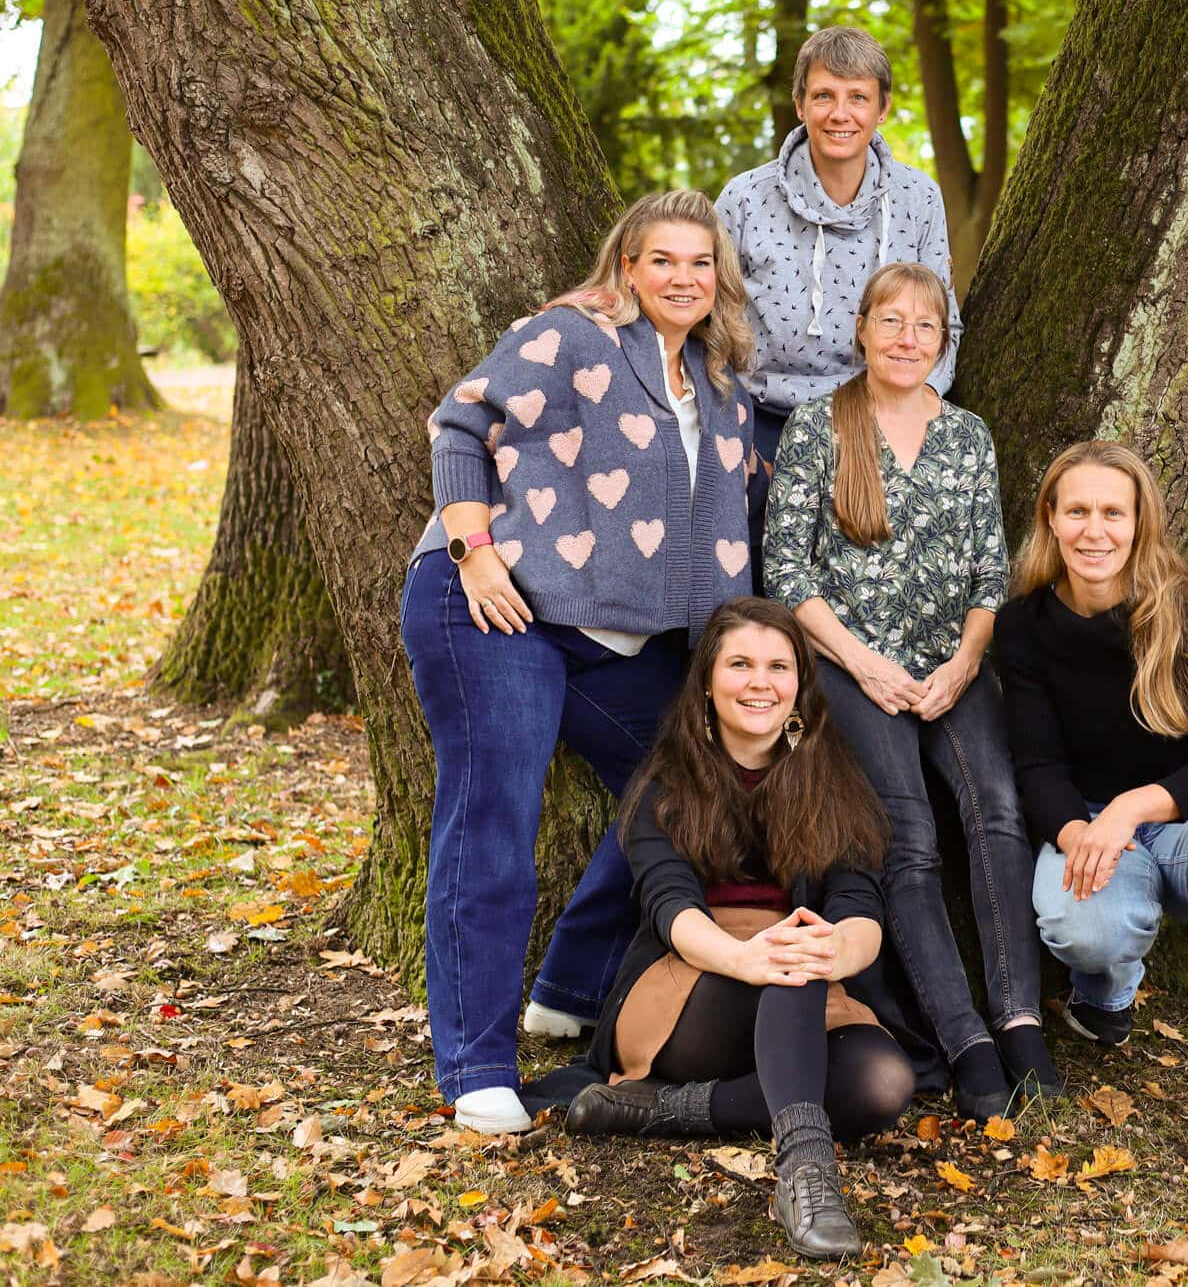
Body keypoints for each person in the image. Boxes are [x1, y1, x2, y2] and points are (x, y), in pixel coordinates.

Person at [403, 190, 760, 1134]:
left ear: (719, 277)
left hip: (617, 635)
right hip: (496, 602)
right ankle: (476, 1064)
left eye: (700, 263)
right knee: (496, 818)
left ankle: (570, 984)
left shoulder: (724, 386)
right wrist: (473, 552)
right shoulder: (569, 336)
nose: (683, 278)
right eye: (662, 260)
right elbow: (459, 426)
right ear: (628, 268)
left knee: (690, 779)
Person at [764, 261, 1061, 1119]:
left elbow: (986, 571)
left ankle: (1019, 1023)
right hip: (852, 667)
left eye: (923, 326)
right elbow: (786, 569)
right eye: (890, 321)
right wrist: (863, 665)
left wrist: (967, 663)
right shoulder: (820, 428)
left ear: (943, 341)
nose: (905, 338)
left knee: (998, 812)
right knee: (910, 835)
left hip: (950, 666)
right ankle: (963, 1037)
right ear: (861, 330)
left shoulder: (967, 435)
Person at [563, 598, 912, 1261]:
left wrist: (839, 949)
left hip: (802, 976)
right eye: (741, 664)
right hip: (693, 980)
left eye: (779, 666)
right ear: (706, 684)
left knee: (882, 1084)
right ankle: (807, 1174)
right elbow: (673, 910)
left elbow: (858, 901)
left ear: (800, 687)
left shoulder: (833, 781)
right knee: (792, 957)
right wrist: (746, 958)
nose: (760, 681)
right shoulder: (665, 783)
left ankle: (667, 1111)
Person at [993, 442, 1188, 1166]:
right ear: (1050, 519)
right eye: (1077, 511)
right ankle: (1106, 990)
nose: (1094, 531)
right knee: (1082, 926)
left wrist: (1131, 809)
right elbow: (1036, 765)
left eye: (1112, 513)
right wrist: (1081, 831)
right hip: (1093, 823)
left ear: (1140, 524)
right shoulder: (1022, 628)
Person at [717, 26, 957, 492]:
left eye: (858, 98)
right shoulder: (744, 198)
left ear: (882, 109)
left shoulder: (919, 198)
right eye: (824, 95)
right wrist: (730, 428)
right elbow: (704, 317)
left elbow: (943, 323)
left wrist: (915, 411)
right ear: (800, 103)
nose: (840, 114)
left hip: (878, 417)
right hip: (761, 420)